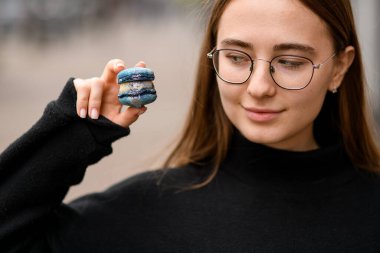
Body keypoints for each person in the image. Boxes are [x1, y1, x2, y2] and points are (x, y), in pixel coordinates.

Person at [1, 0, 380, 252]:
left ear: (340, 67)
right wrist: (74, 132)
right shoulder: (147, 212)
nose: (259, 87)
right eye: (236, 57)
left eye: (292, 62)